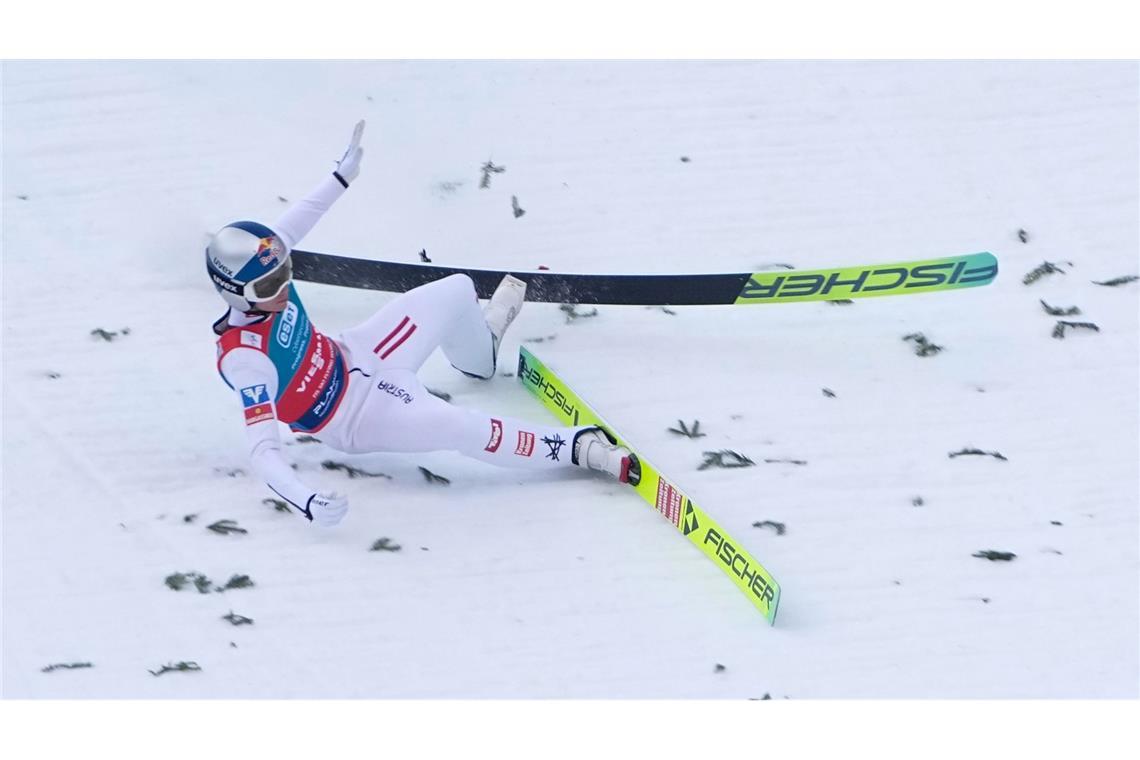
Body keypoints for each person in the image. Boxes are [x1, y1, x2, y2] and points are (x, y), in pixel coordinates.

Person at [207, 121, 640, 527]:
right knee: (458, 426)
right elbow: (263, 450)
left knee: (456, 289)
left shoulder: (265, 259)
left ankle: (480, 356)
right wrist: (303, 499)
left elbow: (299, 221)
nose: (282, 288)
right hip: (355, 415)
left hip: (361, 350)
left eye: (284, 272)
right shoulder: (246, 359)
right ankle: (578, 448)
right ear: (235, 292)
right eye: (268, 287)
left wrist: (341, 176)